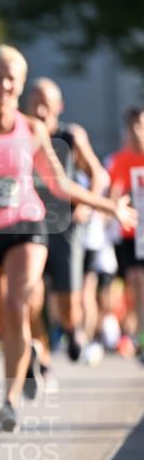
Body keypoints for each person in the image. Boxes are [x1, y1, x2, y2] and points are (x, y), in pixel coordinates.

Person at [0, 45, 136, 432]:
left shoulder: (33, 129)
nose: (4, 84)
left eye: (12, 78)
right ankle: (28, 359)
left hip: (26, 225)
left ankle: (8, 402)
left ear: (20, 83)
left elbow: (59, 183)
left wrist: (107, 206)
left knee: (16, 303)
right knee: (5, 320)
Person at [27, 77, 109, 367]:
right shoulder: (22, 133)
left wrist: (88, 207)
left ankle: (73, 330)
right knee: (31, 292)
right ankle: (41, 351)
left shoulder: (72, 136)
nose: (40, 109)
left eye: (46, 103)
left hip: (67, 226)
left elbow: (99, 174)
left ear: (58, 107)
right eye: (35, 101)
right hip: (31, 225)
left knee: (68, 306)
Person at [108, 107, 144, 357]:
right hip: (130, 233)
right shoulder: (120, 160)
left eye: (141, 125)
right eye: (133, 125)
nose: (136, 130)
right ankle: (139, 336)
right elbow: (112, 194)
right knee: (135, 282)